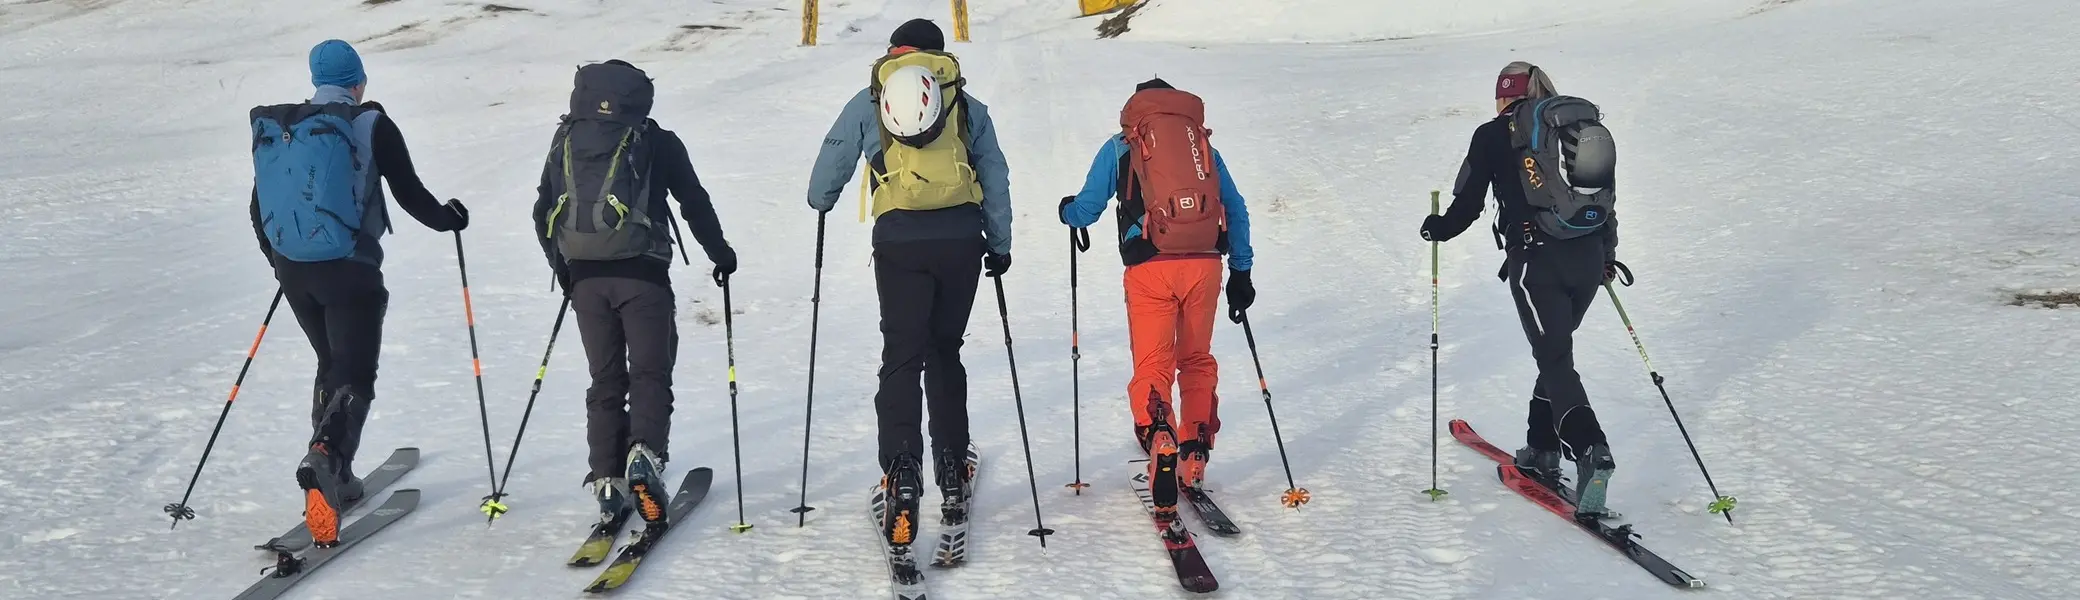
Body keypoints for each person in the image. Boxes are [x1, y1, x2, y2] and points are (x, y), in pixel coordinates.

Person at [248, 39, 470, 545]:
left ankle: (338, 474)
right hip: (350, 270)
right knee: (355, 374)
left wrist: (281, 264)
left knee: (331, 363)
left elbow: (259, 208)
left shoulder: (287, 130)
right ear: (359, 81)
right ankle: (326, 456)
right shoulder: (371, 124)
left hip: (296, 272)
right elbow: (411, 195)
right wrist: (450, 219)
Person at [805, 18, 1011, 550]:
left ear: (894, 51)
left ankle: (900, 473)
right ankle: (952, 470)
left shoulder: (870, 100)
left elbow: (825, 176)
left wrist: (822, 201)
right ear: (941, 59)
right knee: (945, 350)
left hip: (898, 239)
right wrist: (999, 243)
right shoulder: (966, 104)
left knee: (901, 355)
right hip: (961, 237)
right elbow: (994, 174)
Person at [531, 59, 737, 529]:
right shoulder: (657, 140)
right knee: (649, 372)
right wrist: (721, 254)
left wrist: (564, 269)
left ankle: (607, 481)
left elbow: (543, 209)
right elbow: (694, 201)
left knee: (604, 379)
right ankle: (644, 455)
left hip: (586, 280)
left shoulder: (566, 139)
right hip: (643, 277)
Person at [1419, 61, 1623, 516]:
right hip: (1589, 259)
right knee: (1555, 353)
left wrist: (1437, 228)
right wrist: (1607, 256)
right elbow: (1605, 200)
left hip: (1537, 262)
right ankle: (1541, 446)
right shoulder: (1575, 131)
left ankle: (1590, 449)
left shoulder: (1492, 135)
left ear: (1501, 96)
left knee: (1554, 358)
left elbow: (1468, 204)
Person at [1058, 78, 1255, 514]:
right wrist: (1241, 271)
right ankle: (1195, 450)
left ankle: (1160, 436)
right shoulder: (1200, 146)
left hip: (1150, 267)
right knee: (1196, 359)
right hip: (1205, 264)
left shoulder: (1122, 145)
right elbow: (1236, 208)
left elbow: (1087, 209)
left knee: (1153, 364)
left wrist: (1067, 212)